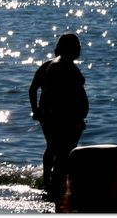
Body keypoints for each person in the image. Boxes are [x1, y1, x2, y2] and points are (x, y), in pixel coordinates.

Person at [29, 33, 88, 205]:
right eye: (77, 45)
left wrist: (39, 111)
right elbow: (40, 91)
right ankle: (56, 188)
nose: (79, 48)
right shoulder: (56, 66)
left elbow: (36, 90)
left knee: (54, 149)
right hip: (60, 117)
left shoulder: (64, 65)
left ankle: (51, 184)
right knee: (62, 153)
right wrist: (39, 111)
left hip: (59, 117)